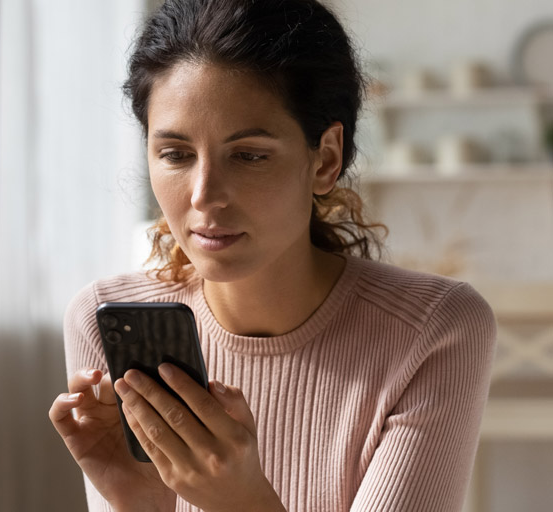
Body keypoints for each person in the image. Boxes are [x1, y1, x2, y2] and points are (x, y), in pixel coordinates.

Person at [49, 0, 496, 510]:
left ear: (325, 158)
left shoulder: (434, 331)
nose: (203, 196)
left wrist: (243, 501)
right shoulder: (101, 318)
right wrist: (143, 505)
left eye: (249, 155)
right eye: (175, 154)